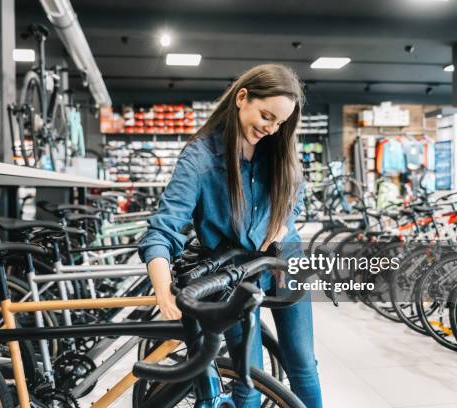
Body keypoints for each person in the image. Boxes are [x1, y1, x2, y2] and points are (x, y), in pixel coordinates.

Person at [138, 64, 322, 408]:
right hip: (232, 277)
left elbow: (295, 202)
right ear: (242, 98)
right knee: (247, 378)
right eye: (267, 116)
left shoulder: (278, 148)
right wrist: (163, 290)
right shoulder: (200, 158)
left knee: (303, 364)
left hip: (285, 265)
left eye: (280, 123)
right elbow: (164, 228)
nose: (271, 129)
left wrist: (280, 227)